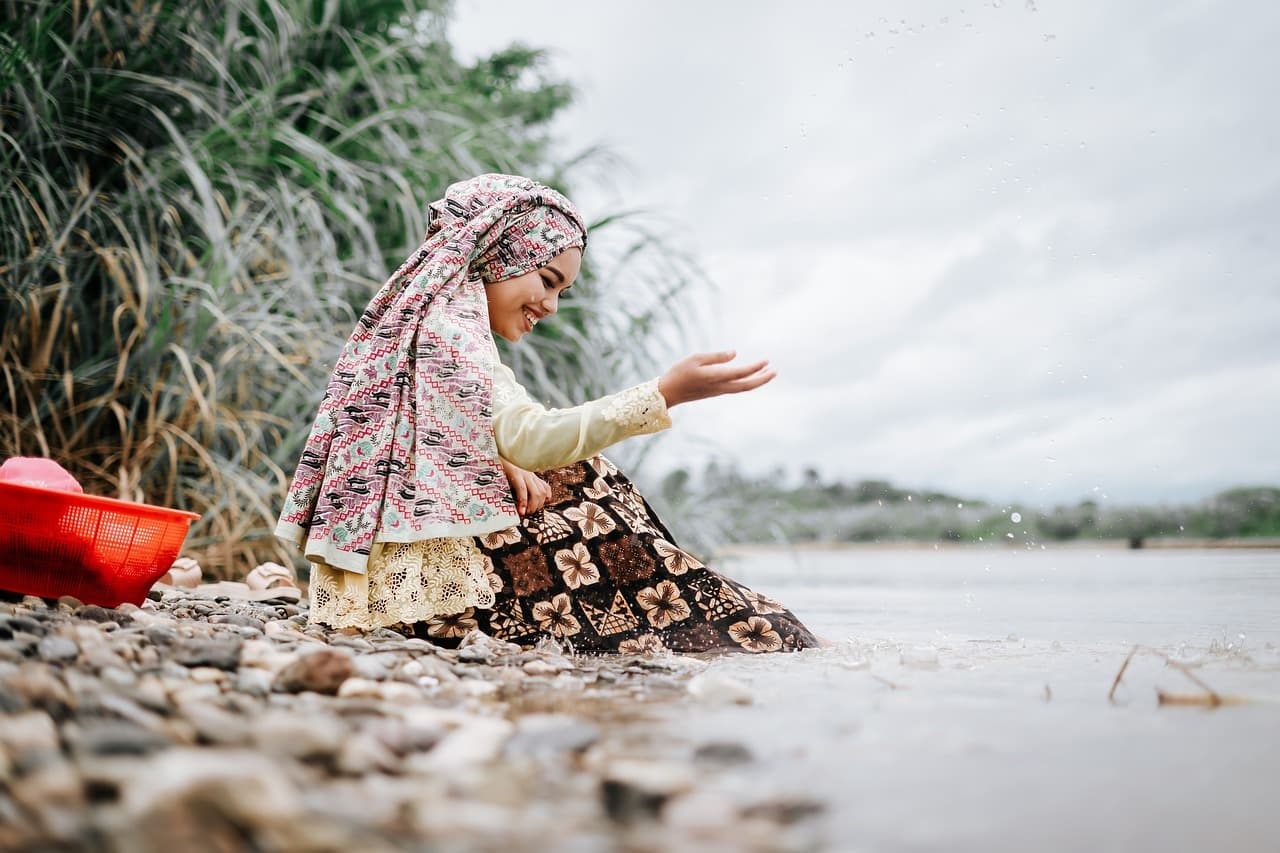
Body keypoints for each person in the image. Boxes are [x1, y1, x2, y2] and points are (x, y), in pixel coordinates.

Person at [276, 174, 817, 654]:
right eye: (548, 281)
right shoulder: (455, 339)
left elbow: (418, 444)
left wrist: (493, 461)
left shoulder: (414, 327)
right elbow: (534, 439)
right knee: (585, 477)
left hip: (379, 594)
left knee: (552, 474)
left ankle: (719, 619)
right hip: (431, 607)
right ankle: (731, 626)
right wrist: (663, 393)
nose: (552, 306)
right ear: (499, 255)